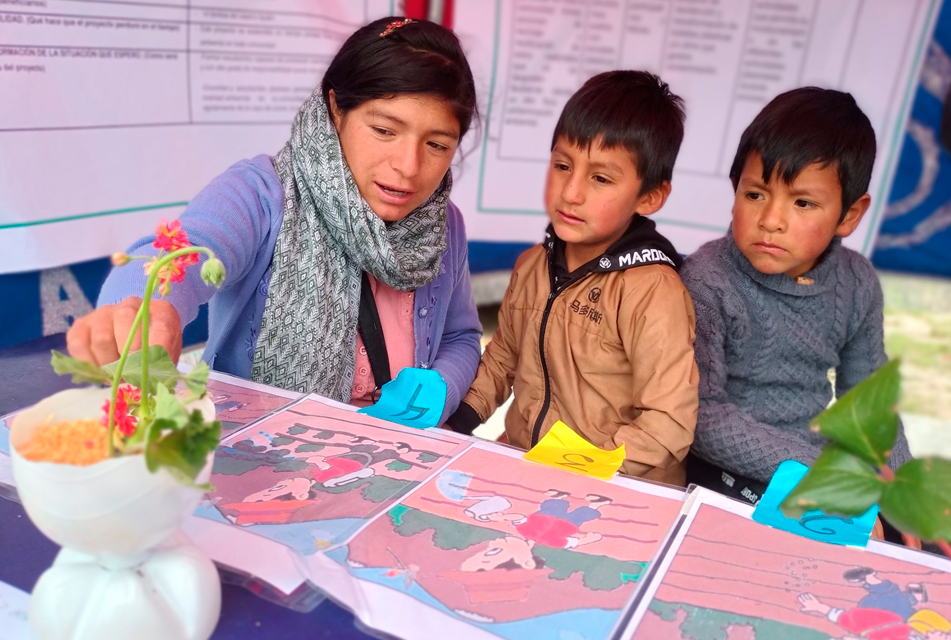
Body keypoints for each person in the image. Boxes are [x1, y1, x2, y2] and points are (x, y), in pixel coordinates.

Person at [65, 17, 482, 421]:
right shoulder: (261, 195)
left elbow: (460, 337)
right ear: (336, 109)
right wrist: (145, 306)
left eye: (437, 145)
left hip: (394, 458)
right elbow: (184, 249)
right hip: (260, 463)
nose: (408, 167)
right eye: (384, 131)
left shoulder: (445, 226)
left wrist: (439, 388)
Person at [447, 71, 699, 485]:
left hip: (618, 488)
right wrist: (457, 420)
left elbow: (668, 423)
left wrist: (575, 468)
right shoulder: (532, 266)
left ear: (650, 196)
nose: (571, 192)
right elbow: (502, 358)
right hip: (532, 468)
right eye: (563, 165)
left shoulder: (654, 291)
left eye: (600, 178)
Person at [680, 88, 913, 514]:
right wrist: (819, 472)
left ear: (849, 215)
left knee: (915, 540)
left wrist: (900, 487)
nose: (771, 221)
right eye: (755, 194)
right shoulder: (707, 280)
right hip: (723, 466)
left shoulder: (857, 282)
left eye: (803, 202)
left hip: (812, 461)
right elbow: (700, 417)